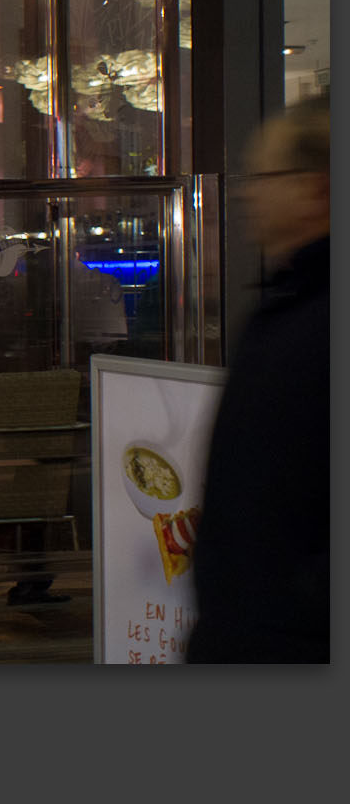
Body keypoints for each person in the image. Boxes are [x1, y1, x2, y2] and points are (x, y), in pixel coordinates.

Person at [186, 99, 329, 663]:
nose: (247, 193)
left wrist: (287, 620)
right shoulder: (285, 303)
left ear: (314, 189)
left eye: (266, 177)